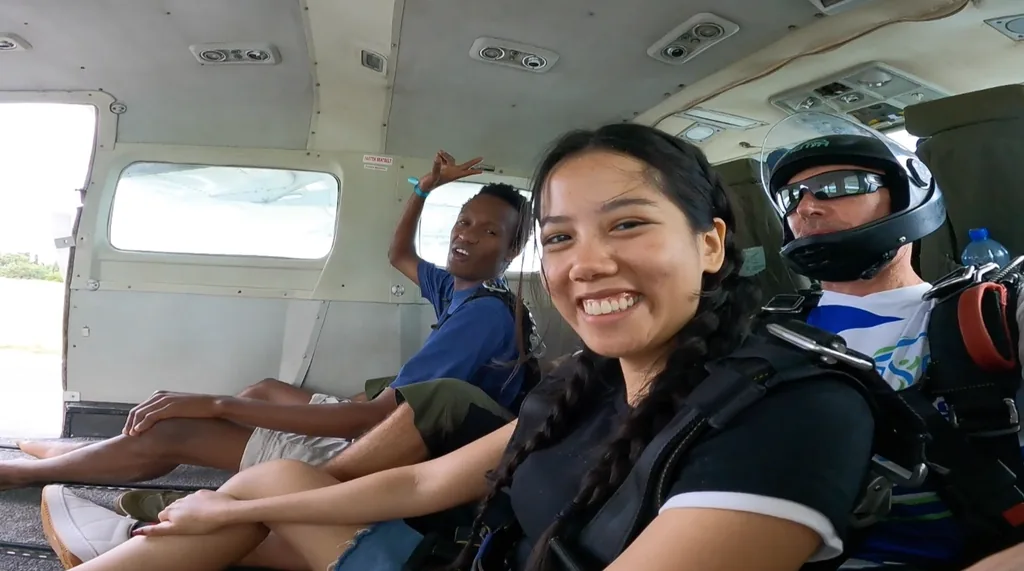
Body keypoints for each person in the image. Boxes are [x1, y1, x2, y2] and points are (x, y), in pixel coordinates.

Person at [43, 123, 877, 571]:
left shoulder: (794, 412)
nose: (588, 261)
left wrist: (227, 454)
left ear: (709, 244)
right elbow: (415, 479)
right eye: (561, 237)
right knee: (273, 483)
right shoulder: (588, 381)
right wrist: (231, 504)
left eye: (628, 223)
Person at [1, 150, 534, 491]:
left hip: (385, 449)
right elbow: (399, 254)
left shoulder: (482, 319)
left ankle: (31, 473)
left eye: (488, 232)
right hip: (388, 421)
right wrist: (425, 190)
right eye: (464, 221)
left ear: (511, 250)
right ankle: (90, 454)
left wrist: (211, 404)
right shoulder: (466, 289)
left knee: (180, 429)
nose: (465, 235)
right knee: (265, 389)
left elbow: (368, 421)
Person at [760, 125, 1024, 569]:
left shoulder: (996, 310)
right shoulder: (760, 333)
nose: (806, 207)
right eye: (792, 197)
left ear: (906, 195)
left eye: (836, 187)